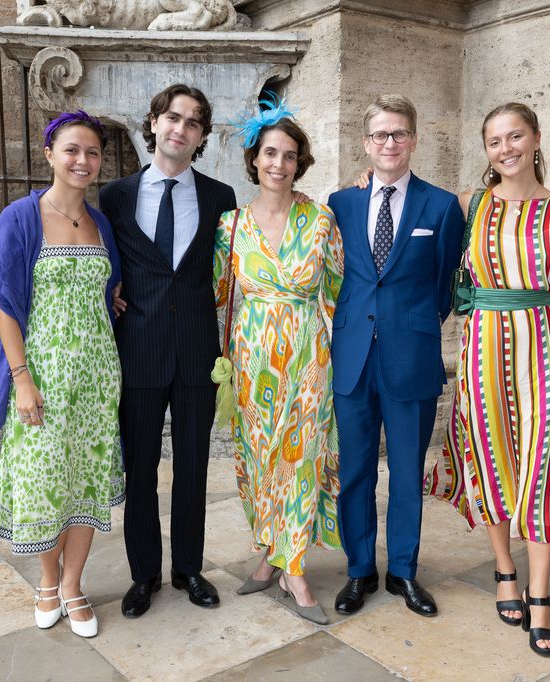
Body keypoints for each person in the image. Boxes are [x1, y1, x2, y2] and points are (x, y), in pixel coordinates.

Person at [424, 102, 550, 657]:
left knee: (541, 467)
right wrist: (364, 178)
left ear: (536, 138)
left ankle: (540, 596)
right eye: (495, 141)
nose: (506, 148)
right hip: (483, 350)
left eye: (515, 136)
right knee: (489, 462)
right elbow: (412, 212)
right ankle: (504, 569)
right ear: (486, 150)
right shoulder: (470, 205)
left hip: (542, 349)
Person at [0, 110, 124, 638]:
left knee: (86, 479)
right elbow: (5, 306)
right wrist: (21, 379)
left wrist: (116, 297)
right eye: (72, 150)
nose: (83, 161)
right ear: (49, 155)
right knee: (43, 482)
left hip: (98, 375)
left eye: (92, 152)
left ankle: (73, 585)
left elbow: (108, 288)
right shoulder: (21, 217)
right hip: (42, 374)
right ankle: (46, 581)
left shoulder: (100, 220)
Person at [99, 84, 237, 618]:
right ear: (153, 122)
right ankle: (143, 575)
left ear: (201, 136)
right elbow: (102, 258)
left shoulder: (220, 197)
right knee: (140, 467)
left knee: (195, 466)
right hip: (138, 350)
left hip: (199, 352)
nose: (181, 129)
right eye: (173, 118)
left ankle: (188, 569)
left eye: (194, 122)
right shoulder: (116, 196)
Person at [328, 94, 465, 618]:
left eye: (399, 133)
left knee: (407, 471)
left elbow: (446, 282)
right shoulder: (341, 204)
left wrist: (413, 327)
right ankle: (359, 569)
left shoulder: (440, 205)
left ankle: (403, 571)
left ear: (414, 140)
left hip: (412, 357)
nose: (390, 142)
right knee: (356, 470)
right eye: (381, 134)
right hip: (353, 356)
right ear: (366, 144)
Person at [213, 100, 343, 624]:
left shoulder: (321, 220)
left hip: (308, 360)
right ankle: (269, 552)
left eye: (289, 155)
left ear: (299, 162)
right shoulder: (231, 224)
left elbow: (339, 290)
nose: (279, 164)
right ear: (255, 158)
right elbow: (217, 293)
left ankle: (294, 568)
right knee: (259, 461)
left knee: (301, 461)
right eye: (270, 152)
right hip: (251, 363)